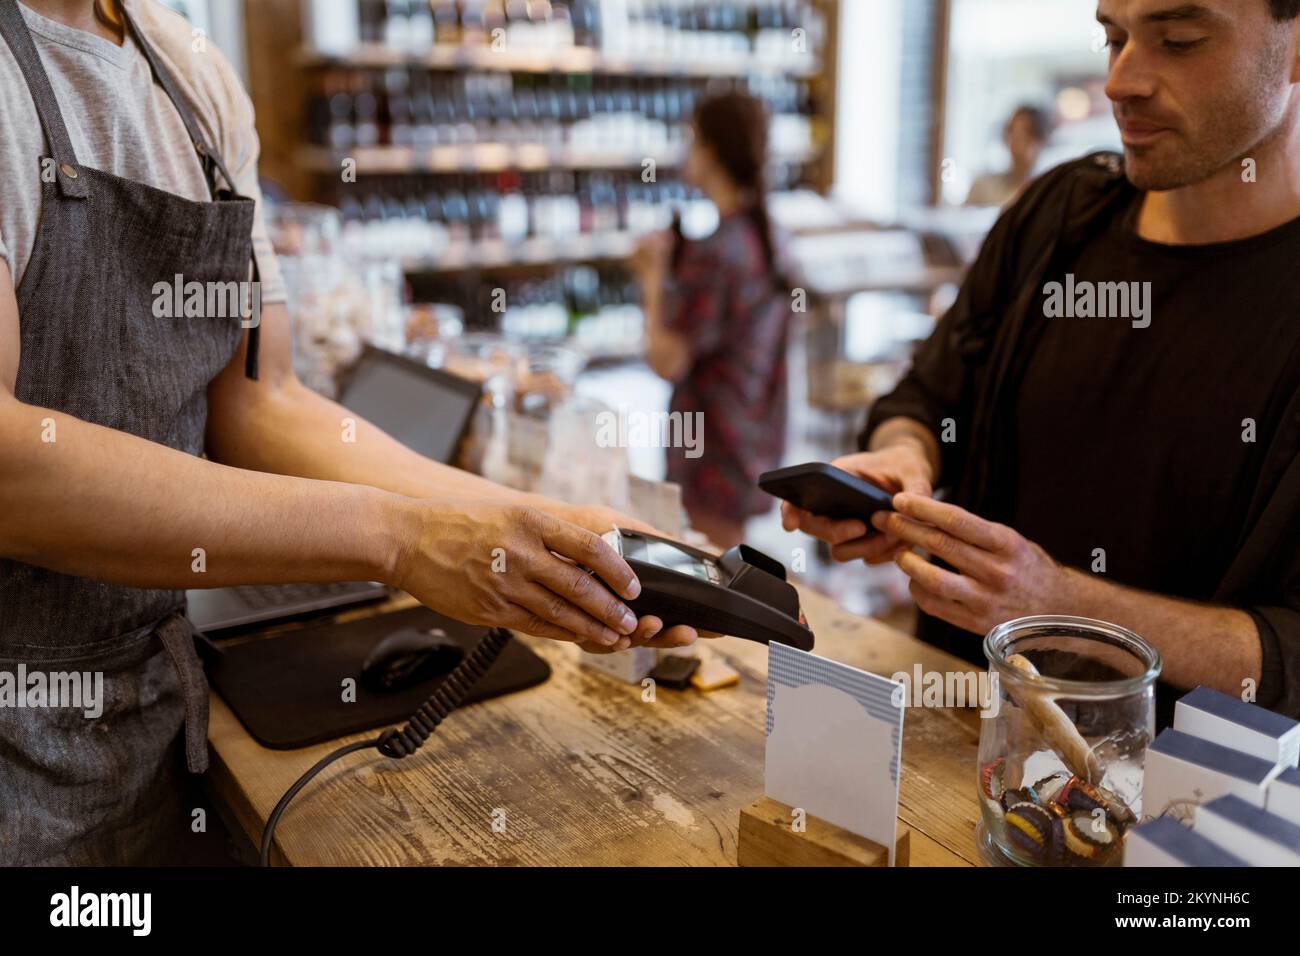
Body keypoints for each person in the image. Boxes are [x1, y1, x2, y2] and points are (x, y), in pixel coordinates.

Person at [0, 0, 700, 865]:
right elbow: (9, 471)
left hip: (156, 693)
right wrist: (398, 539)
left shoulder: (190, 74)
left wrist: (538, 524)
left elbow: (263, 402)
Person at [784, 0, 1300, 721]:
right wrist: (905, 465)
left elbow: (1291, 656)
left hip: (1179, 806)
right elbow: (927, 396)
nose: (1122, 80)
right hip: (957, 726)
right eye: (1112, 37)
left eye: (1178, 41)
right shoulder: (1059, 215)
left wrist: (1059, 605)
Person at [631, 91, 794, 549]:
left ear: (712, 150)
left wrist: (652, 277)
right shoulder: (767, 237)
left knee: (708, 567)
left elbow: (667, 360)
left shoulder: (719, 252)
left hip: (710, 450)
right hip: (750, 439)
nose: (686, 150)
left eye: (691, 138)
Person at [966, 105, 1051, 207]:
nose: (1020, 145)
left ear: (1043, 141)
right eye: (1016, 136)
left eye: (1027, 138)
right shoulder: (982, 188)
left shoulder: (1050, 193)